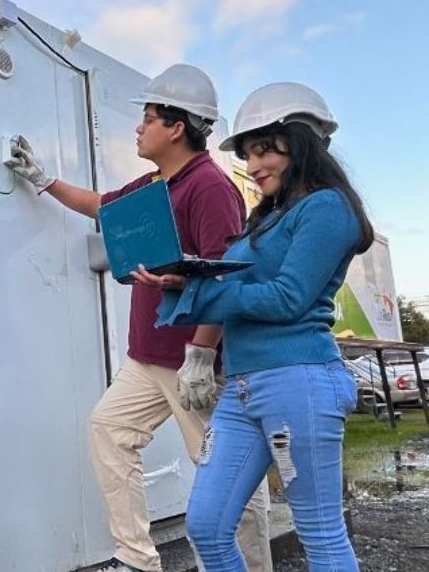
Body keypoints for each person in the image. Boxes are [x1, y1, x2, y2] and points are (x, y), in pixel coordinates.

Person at [6, 64, 272, 572]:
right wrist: (42, 179)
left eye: (148, 117)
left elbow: (227, 278)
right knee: (109, 430)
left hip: (194, 363)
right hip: (147, 358)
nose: (138, 126)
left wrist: (201, 354)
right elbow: (103, 207)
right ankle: (138, 560)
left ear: (177, 126)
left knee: (226, 475)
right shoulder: (156, 183)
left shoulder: (209, 187)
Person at [142, 82, 373, 572]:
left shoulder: (327, 207)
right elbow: (234, 286)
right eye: (248, 154)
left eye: (264, 149)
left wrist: (198, 291)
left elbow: (288, 297)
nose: (253, 165)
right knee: (205, 525)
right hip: (242, 389)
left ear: (302, 142)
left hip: (298, 381)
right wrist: (183, 283)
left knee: (320, 534)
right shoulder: (264, 218)